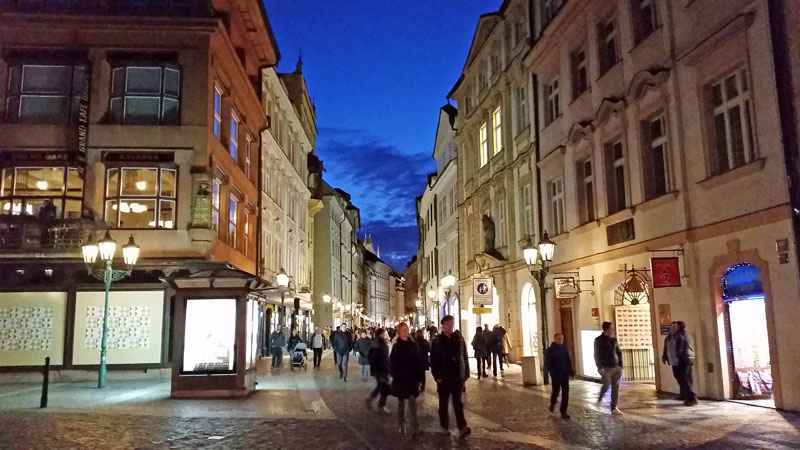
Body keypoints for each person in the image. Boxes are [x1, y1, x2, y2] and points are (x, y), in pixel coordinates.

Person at [430, 315, 471, 438]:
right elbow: (433, 360)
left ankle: (462, 427)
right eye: (448, 324)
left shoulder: (458, 338)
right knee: (443, 403)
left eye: (452, 324)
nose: (450, 326)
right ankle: (444, 427)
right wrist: (437, 376)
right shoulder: (437, 341)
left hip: (457, 376)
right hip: (443, 378)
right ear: (443, 326)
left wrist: (466, 373)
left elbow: (464, 356)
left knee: (458, 403)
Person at [391, 322, 423, 436]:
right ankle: (401, 423)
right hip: (401, 379)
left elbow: (418, 362)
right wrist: (395, 376)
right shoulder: (396, 346)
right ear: (399, 332)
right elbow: (393, 363)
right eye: (402, 330)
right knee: (401, 404)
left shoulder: (413, 345)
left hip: (412, 379)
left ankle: (415, 428)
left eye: (406, 329)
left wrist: (420, 378)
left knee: (413, 404)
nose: (405, 332)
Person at [594, 321, 624, 415]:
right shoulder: (598, 340)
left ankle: (614, 407)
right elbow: (597, 354)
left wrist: (620, 365)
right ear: (607, 329)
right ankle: (599, 399)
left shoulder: (613, 340)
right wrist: (599, 367)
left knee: (616, 387)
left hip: (616, 366)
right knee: (606, 384)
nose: (613, 330)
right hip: (606, 367)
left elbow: (618, 352)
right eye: (612, 328)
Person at [545, 333, 573, 419]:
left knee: (565, 393)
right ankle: (552, 404)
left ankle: (563, 411)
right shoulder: (550, 350)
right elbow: (547, 363)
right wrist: (552, 372)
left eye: (562, 338)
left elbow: (568, 360)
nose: (561, 340)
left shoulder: (564, 349)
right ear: (555, 339)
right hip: (556, 374)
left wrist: (570, 370)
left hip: (564, 373)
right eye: (559, 339)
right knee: (556, 391)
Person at [366, 328, 391, 413]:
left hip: (378, 369)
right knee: (384, 387)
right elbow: (383, 358)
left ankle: (372, 399)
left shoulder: (376, 343)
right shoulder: (380, 344)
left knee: (381, 387)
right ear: (380, 334)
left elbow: (369, 356)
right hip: (381, 370)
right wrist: (386, 368)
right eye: (384, 334)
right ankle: (380, 405)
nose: (386, 335)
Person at [674, 321, 697, 406]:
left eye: (675, 326)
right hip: (690, 357)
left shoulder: (679, 335)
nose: (674, 328)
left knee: (684, 378)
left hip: (684, 358)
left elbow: (679, 348)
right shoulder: (688, 334)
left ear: (679, 327)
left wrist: (678, 359)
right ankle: (687, 395)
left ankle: (691, 397)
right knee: (688, 377)